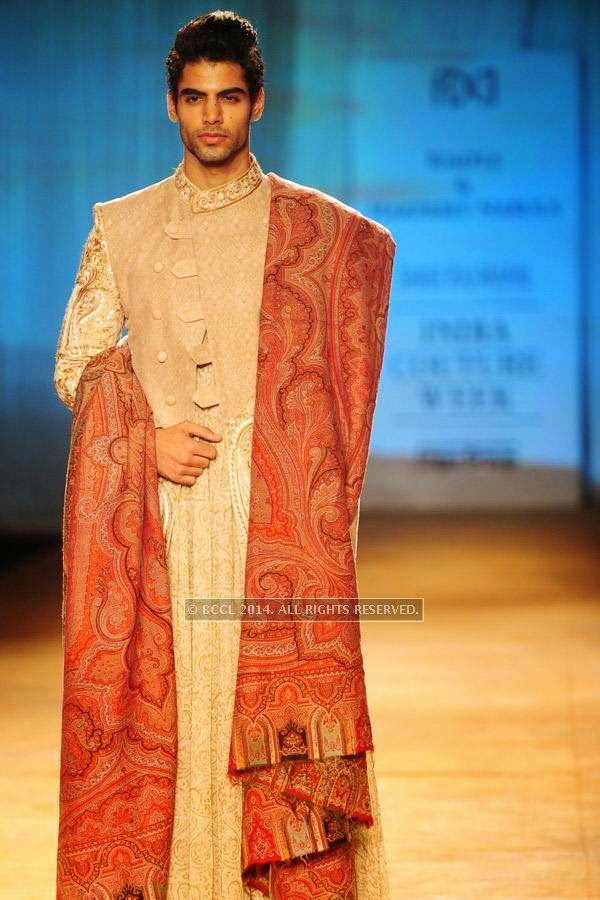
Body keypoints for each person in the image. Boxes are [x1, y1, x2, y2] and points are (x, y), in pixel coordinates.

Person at [54, 10, 394, 899]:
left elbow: (347, 355)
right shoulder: (120, 226)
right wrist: (143, 439)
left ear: (258, 104)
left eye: (230, 99)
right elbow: (75, 365)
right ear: (172, 106)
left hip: (275, 524)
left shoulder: (316, 233)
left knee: (260, 738)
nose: (213, 117)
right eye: (196, 99)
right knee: (189, 728)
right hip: (165, 520)